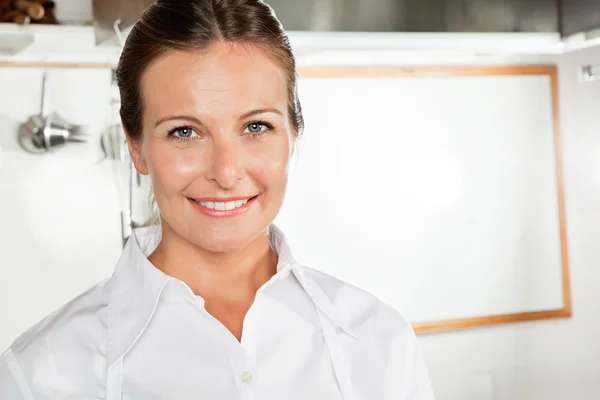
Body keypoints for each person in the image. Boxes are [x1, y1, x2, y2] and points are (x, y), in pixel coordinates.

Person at [0, 0, 436, 398]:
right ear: (136, 147)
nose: (226, 173)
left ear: (293, 133)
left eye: (256, 127)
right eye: (184, 132)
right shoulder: (40, 374)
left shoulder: (381, 342)